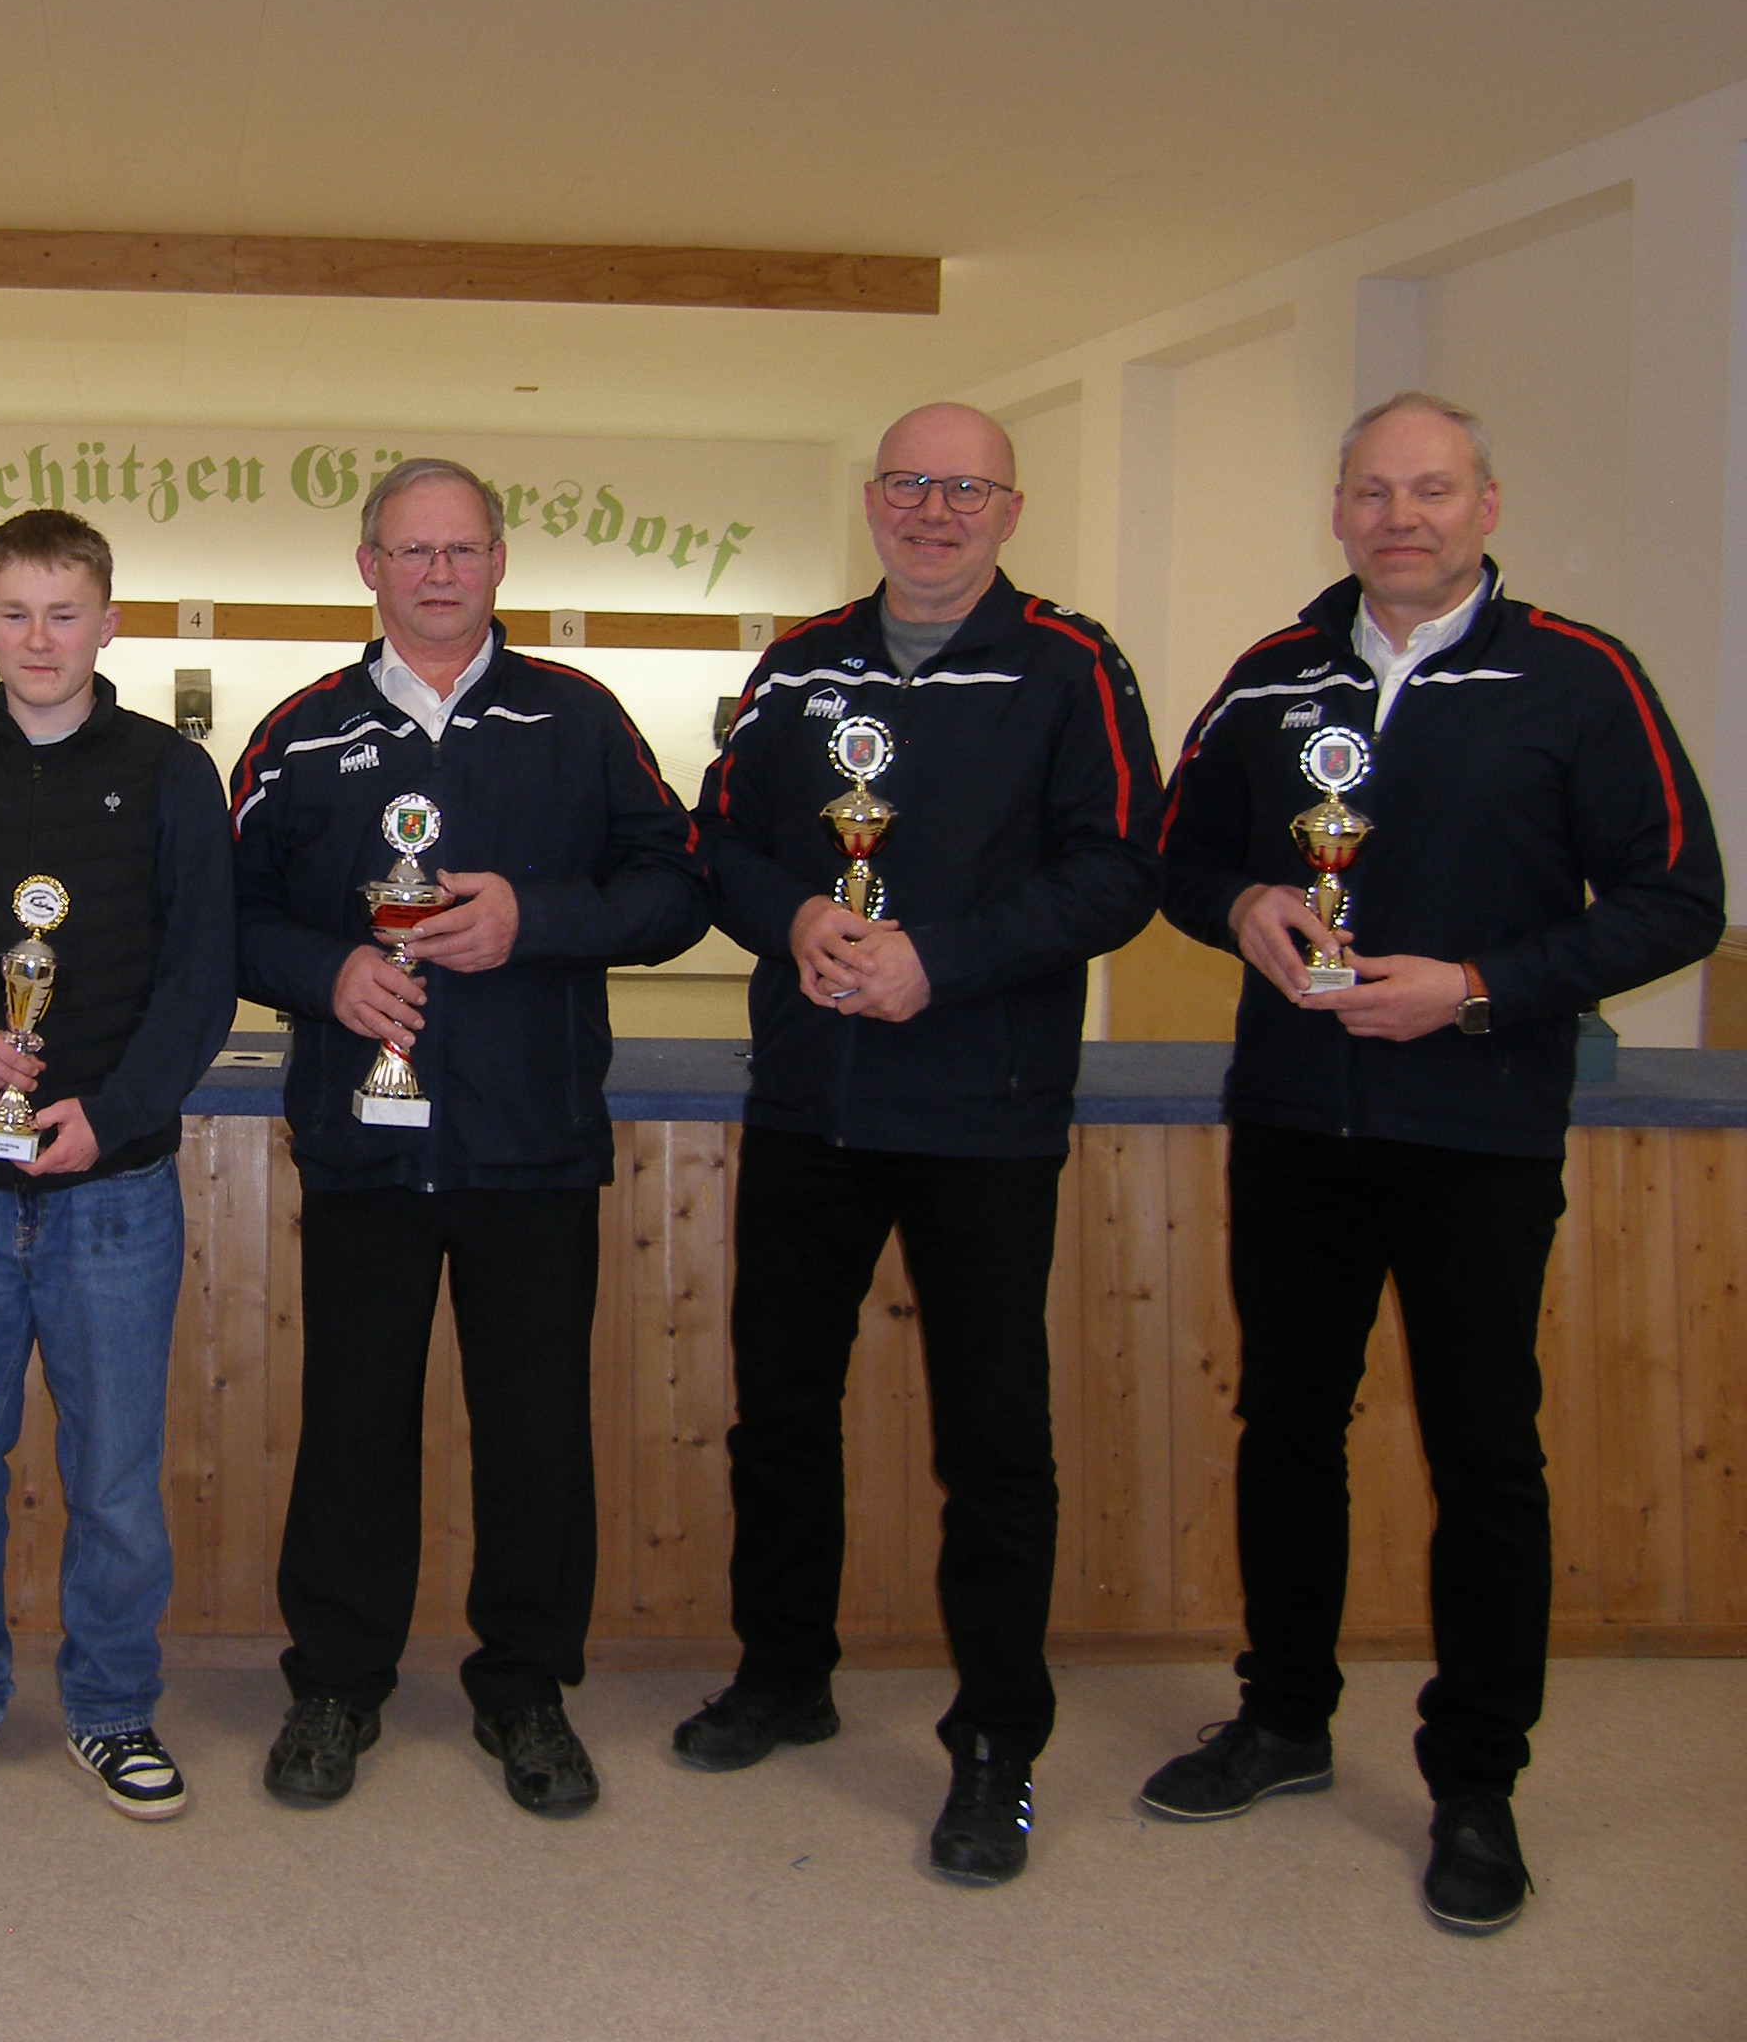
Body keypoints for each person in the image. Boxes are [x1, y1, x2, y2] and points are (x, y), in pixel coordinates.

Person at [1141, 390, 1721, 1932]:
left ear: (1486, 506)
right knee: (1286, 1427)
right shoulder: (1271, 676)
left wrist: (1472, 989)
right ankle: (1283, 1720)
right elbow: (1176, 857)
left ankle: (1476, 1783)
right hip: (1294, 1119)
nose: (1401, 516)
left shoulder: (1583, 677)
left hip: (1477, 1127)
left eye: (1433, 489)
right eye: (1373, 491)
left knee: (1484, 1456)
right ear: (1339, 509)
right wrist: (1245, 904)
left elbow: (1678, 898)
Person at [682, 402, 1160, 1885]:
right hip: (809, 1102)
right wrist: (797, 917)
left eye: (965, 487)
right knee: (779, 1411)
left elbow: (1121, 871)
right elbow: (718, 844)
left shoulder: (1071, 667)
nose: (933, 510)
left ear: (1010, 510)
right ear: (872, 499)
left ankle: (997, 1742)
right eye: (908, 483)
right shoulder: (796, 664)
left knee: (993, 1440)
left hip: (982, 1114)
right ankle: (784, 1675)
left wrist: (935, 962)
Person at [232, 456, 704, 1817]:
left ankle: (527, 1690)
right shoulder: (301, 733)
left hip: (530, 1142)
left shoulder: (579, 718)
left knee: (536, 1433)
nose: (437, 573)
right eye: (411, 550)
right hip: (364, 1147)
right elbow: (225, 915)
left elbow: (677, 888)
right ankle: (336, 1683)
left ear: (500, 562)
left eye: (461, 549)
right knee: (353, 1425)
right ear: (368, 567)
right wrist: (327, 972)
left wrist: (534, 921)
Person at [0, 509, 234, 1820]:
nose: (39, 639)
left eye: (64, 613)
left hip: (114, 1191)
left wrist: (111, 1116)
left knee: (116, 1479)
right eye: (14, 612)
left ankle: (113, 1707)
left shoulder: (174, 777)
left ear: (108, 624)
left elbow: (202, 978)